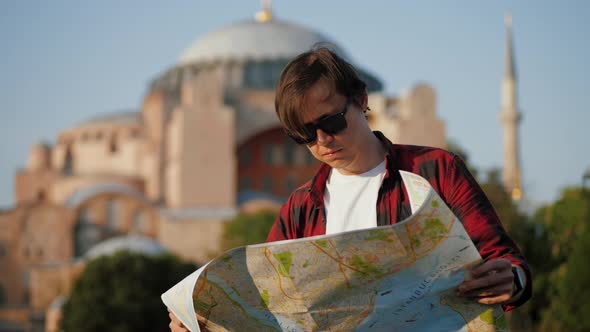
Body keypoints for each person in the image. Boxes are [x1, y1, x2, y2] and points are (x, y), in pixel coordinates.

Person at [169, 46, 530, 331]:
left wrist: (511, 279)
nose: (323, 141)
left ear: (360, 100)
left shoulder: (435, 171)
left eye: (331, 122)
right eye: (305, 135)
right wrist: (201, 320)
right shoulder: (300, 208)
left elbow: (506, 261)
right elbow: (266, 305)